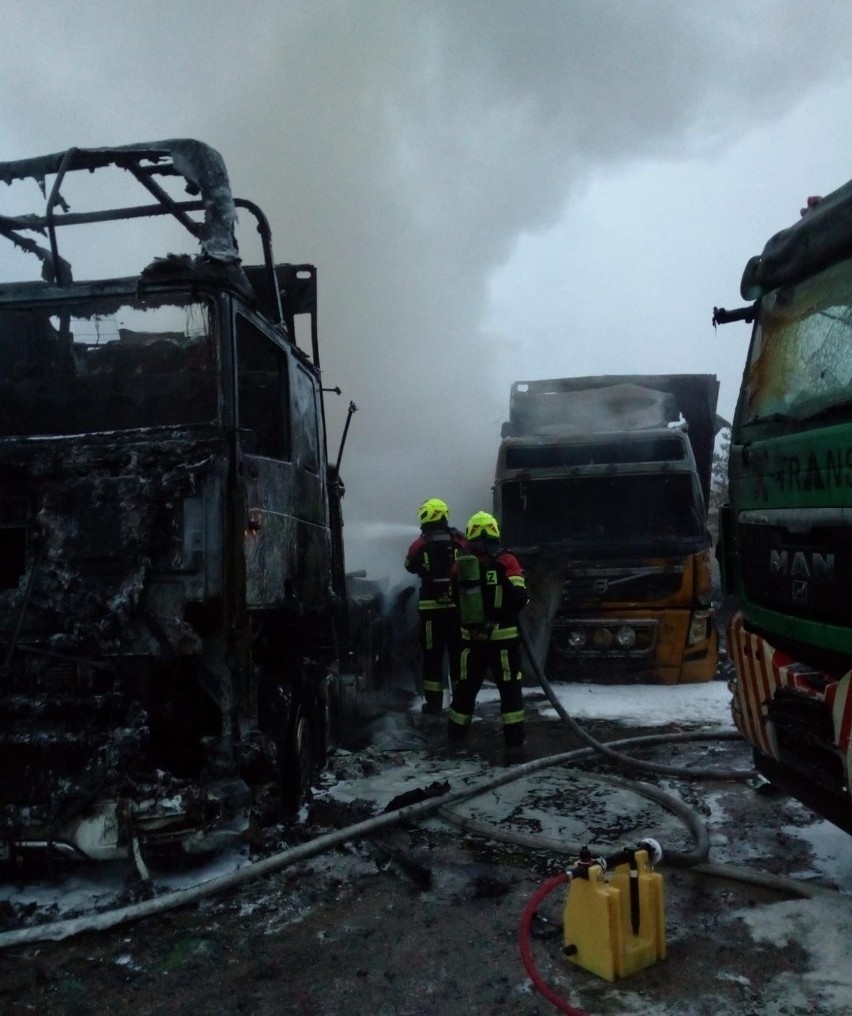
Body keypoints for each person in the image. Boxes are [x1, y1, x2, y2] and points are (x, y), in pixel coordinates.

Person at [447, 511, 529, 748]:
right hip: (504, 640)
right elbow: (520, 597)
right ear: (494, 531)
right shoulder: (507, 561)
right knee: (510, 689)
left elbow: (453, 598)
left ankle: (455, 738)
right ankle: (514, 741)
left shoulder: (462, 563)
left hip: (471, 642)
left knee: (465, 690)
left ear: (471, 533)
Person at [404, 497, 468, 716]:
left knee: (432, 657)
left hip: (431, 614)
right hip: (455, 611)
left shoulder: (420, 544)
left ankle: (433, 705)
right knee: (458, 656)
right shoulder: (459, 540)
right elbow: (470, 560)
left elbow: (409, 566)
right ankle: (461, 702)